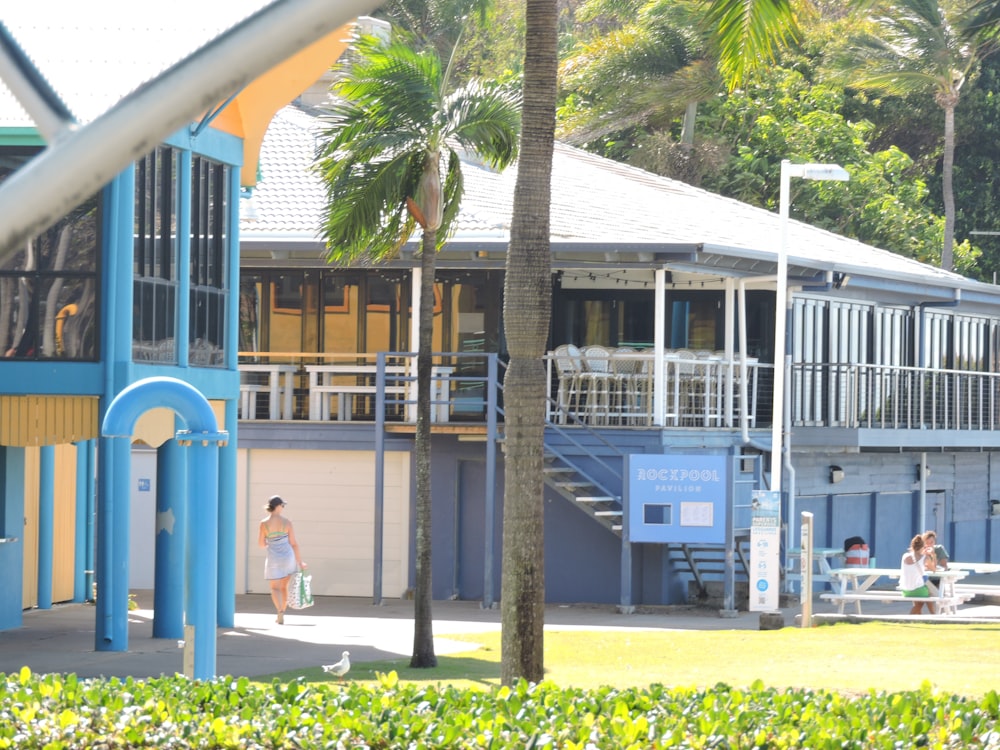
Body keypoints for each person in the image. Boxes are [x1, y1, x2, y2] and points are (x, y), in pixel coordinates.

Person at [258, 495, 304, 624]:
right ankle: (282, 611)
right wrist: (299, 561)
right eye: (282, 505)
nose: (283, 508)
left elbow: (261, 544)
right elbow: (294, 543)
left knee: (275, 588)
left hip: (273, 558)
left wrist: (270, 543)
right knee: (284, 586)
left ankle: (280, 611)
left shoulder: (264, 523)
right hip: (288, 557)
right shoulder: (287, 522)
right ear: (278, 506)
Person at [900, 534, 938, 615]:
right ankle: (933, 614)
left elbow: (914, 564)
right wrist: (933, 555)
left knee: (922, 597)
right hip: (918, 590)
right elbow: (934, 569)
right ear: (923, 546)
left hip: (905, 590)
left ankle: (922, 616)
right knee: (928, 594)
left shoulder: (905, 556)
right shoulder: (925, 558)